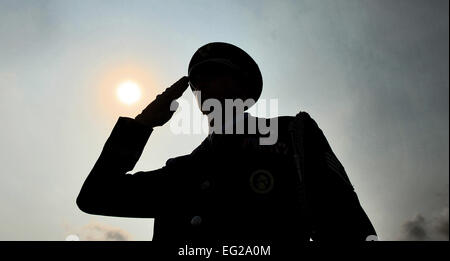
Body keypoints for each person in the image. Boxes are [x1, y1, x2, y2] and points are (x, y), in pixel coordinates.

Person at [77, 42, 377, 241]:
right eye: (198, 81)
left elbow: (346, 222)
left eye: (216, 74)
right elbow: (95, 197)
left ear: (244, 86)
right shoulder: (183, 171)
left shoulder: (292, 135)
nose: (203, 85)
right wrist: (141, 125)